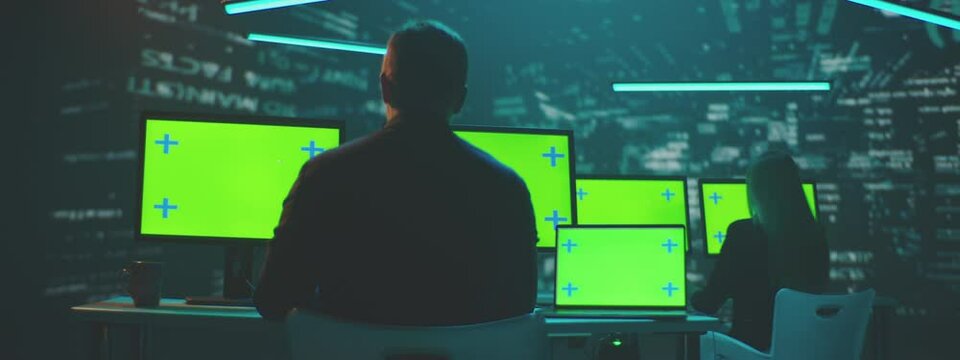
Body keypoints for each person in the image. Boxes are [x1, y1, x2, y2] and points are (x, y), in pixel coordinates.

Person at [253, 20, 539, 325]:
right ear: (460, 98)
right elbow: (520, 308)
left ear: (385, 87)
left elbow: (274, 300)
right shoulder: (506, 188)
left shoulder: (324, 175)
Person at [692, 151, 829, 350]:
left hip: (751, 350)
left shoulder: (742, 233)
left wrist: (687, 289)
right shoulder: (816, 237)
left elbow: (708, 303)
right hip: (804, 349)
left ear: (755, 191)